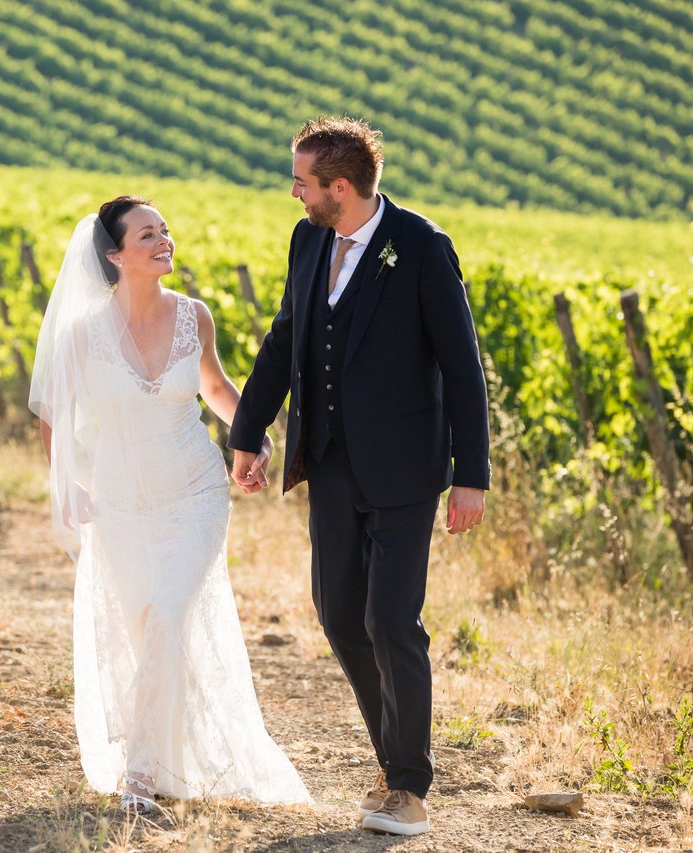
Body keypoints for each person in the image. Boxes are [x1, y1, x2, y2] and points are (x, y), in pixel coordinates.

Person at [228, 117, 490, 837]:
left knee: (390, 620)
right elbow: (287, 337)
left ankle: (409, 783)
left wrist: (472, 474)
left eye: (301, 181)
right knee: (340, 616)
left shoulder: (423, 248)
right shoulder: (308, 238)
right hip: (333, 461)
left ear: (338, 188)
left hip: (407, 468)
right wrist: (248, 432)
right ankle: (391, 758)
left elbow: (463, 367)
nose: (294, 191)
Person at [29, 196, 312, 814]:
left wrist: (255, 435)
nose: (164, 241)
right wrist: (69, 480)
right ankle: (176, 758)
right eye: (147, 235)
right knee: (144, 631)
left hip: (195, 493)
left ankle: (140, 777)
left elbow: (213, 387)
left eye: (165, 231)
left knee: (166, 614)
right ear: (114, 255)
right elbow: (54, 412)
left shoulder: (194, 317)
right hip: (121, 503)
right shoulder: (82, 334)